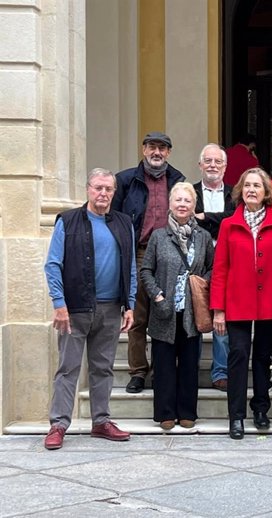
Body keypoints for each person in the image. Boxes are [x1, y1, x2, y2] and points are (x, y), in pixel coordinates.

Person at [43, 168, 137, 450]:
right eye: (98, 188)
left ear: (114, 192)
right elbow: (53, 264)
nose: (103, 194)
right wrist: (59, 304)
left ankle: (101, 421)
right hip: (75, 309)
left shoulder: (123, 223)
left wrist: (129, 304)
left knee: (103, 368)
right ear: (88, 189)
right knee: (68, 368)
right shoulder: (68, 221)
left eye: (108, 189)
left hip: (111, 308)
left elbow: (130, 266)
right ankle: (58, 424)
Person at [211, 168, 272, 440]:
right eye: (247, 185)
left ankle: (261, 409)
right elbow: (219, 270)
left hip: (269, 304)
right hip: (237, 304)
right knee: (238, 356)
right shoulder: (228, 225)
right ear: (240, 191)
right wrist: (218, 309)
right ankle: (236, 416)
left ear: (266, 192)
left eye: (257, 185)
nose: (252, 189)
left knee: (264, 358)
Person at [112, 132, 185, 394]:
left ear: (168, 153)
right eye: (152, 147)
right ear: (143, 149)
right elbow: (116, 220)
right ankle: (139, 371)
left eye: (162, 148)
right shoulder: (126, 180)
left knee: (165, 314)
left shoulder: (177, 180)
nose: (157, 152)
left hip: (170, 253)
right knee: (138, 315)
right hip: (139, 252)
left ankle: (161, 370)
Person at [140, 182, 214, 430]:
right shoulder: (159, 236)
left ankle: (187, 412)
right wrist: (157, 296)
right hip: (165, 311)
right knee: (163, 365)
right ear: (171, 204)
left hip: (192, 312)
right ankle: (165, 413)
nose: (183, 204)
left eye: (188, 201)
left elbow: (213, 268)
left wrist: (202, 283)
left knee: (189, 365)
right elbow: (146, 270)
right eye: (178, 200)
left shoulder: (203, 238)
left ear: (194, 206)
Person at [193, 143, 235, 392]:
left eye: (217, 161)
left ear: (225, 167)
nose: (212, 166)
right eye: (208, 161)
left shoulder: (234, 193)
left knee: (222, 317)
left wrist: (206, 217)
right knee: (194, 316)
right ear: (200, 165)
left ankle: (220, 371)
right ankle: (192, 368)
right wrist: (218, 219)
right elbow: (187, 215)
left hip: (226, 260)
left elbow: (232, 218)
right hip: (196, 260)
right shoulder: (191, 191)